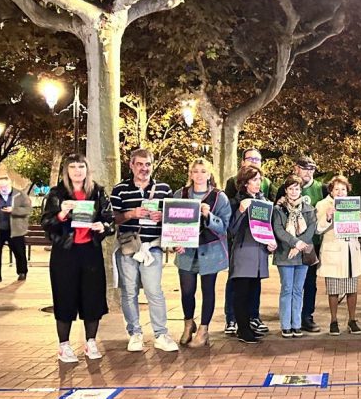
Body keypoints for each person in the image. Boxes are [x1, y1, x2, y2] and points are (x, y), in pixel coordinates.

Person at [42, 154, 114, 363]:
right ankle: (64, 345)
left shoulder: (97, 192)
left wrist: (103, 226)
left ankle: (90, 342)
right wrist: (61, 213)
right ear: (67, 171)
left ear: (87, 169)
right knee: (64, 297)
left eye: (81, 166)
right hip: (65, 253)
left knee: (92, 298)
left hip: (90, 252)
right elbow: (46, 223)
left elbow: (110, 220)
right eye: (72, 167)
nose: (77, 171)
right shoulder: (57, 193)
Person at [111, 148, 177, 353]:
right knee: (129, 291)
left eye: (147, 164)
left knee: (154, 291)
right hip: (128, 247)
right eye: (139, 164)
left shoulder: (164, 189)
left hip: (152, 247)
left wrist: (162, 216)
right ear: (131, 165)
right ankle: (135, 333)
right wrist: (131, 214)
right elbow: (112, 219)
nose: (144, 168)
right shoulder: (120, 189)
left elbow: (174, 218)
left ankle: (161, 334)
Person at [173, 159, 231, 348]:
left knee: (208, 290)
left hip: (210, 250)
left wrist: (209, 216)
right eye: (195, 171)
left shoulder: (219, 197)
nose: (199, 175)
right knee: (187, 291)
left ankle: (204, 329)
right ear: (190, 174)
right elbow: (171, 223)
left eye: (203, 171)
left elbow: (224, 226)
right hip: (186, 251)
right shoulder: (180, 195)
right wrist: (176, 242)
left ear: (209, 174)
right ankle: (188, 323)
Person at [228, 165, 277, 343]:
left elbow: (268, 227)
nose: (258, 183)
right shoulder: (235, 202)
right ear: (245, 183)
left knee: (253, 292)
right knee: (241, 292)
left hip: (259, 253)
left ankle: (249, 326)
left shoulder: (264, 202)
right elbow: (231, 230)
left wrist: (272, 242)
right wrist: (241, 211)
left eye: (259, 180)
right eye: (254, 180)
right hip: (243, 252)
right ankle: (242, 329)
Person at [316, 174, 361, 335]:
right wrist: (328, 216)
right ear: (331, 190)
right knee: (334, 289)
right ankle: (333, 321)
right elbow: (318, 229)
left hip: (350, 250)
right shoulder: (323, 205)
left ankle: (352, 320)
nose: (340, 192)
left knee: (352, 288)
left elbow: (357, 228)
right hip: (333, 251)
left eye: (343, 189)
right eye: (336, 189)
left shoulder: (352, 205)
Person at [272, 174, 317, 338]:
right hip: (285, 254)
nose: (293, 192)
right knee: (287, 289)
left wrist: (299, 246)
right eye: (290, 188)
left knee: (298, 290)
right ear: (286, 190)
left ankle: (296, 324)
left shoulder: (309, 209)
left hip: (303, 254)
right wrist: (294, 243)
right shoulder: (278, 210)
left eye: (296, 188)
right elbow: (279, 230)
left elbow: (311, 230)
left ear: (300, 190)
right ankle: (286, 325)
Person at [296, 156, 325, 333]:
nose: (308, 172)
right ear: (296, 168)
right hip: (292, 243)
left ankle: (307, 315)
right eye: (305, 168)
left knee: (309, 282)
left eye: (312, 169)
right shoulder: (289, 186)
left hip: (312, 244)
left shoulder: (321, 188)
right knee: (291, 282)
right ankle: (292, 316)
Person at [0, 173, 31, 283]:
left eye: (5, 186)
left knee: (19, 252)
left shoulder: (20, 194)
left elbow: (28, 210)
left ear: (10, 184)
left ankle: (22, 272)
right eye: (0, 187)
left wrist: (13, 210)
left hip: (15, 229)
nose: (3, 189)